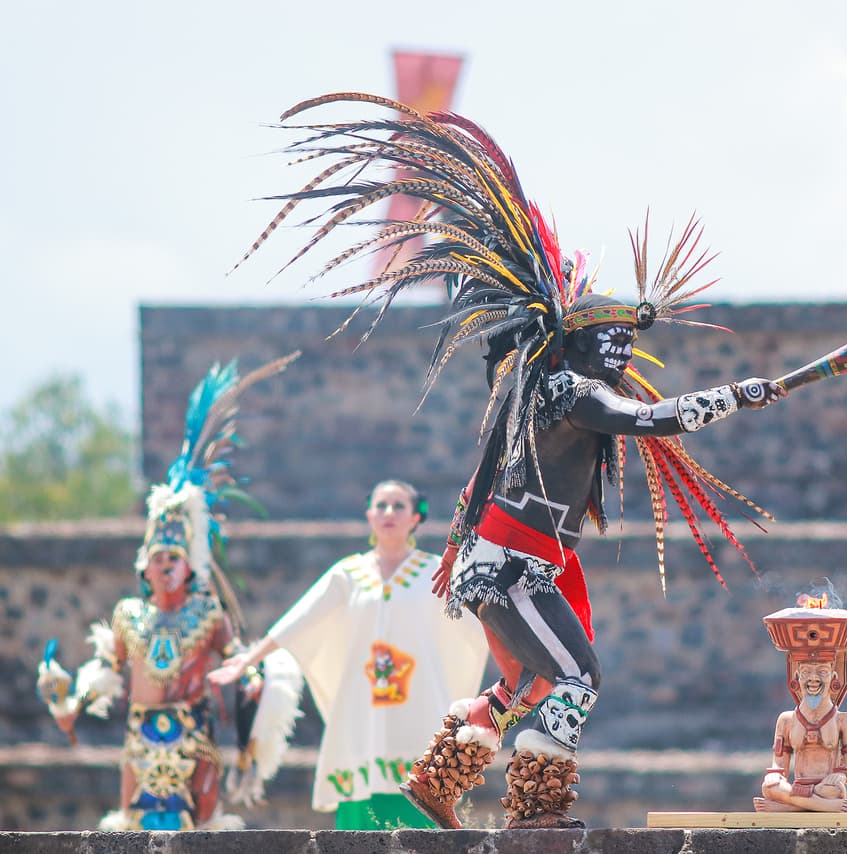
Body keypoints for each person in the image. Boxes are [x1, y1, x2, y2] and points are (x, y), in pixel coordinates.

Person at [235, 96, 788, 828]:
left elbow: (494, 473)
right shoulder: (569, 392)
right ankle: (535, 808)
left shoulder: (556, 393)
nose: (621, 352)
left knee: (528, 683)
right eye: (612, 341)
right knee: (579, 677)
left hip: (508, 560)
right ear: (579, 343)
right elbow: (648, 420)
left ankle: (439, 778)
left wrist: (455, 545)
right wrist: (738, 394)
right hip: (511, 565)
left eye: (627, 343)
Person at [36, 355, 301, 831]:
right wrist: (72, 703)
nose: (165, 565)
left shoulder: (209, 613)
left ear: (189, 566)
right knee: (132, 827)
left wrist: (254, 681)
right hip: (140, 736)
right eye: (158, 558)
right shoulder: (127, 614)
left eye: (174, 558)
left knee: (201, 830)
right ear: (144, 567)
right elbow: (108, 667)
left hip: (195, 735)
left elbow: (236, 659)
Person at [209, 480, 488, 830]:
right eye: (381, 505)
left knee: (422, 808)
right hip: (361, 711)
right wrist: (248, 659)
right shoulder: (348, 575)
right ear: (369, 514)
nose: (389, 513)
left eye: (399, 506)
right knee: (359, 823)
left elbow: (478, 630)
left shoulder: (437, 572)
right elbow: (299, 621)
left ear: (416, 517)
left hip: (419, 707)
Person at [757, 658, 847, 812]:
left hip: (826, 787)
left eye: (822, 672)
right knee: (769, 787)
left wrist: (843, 776)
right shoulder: (786, 720)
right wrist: (775, 776)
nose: (813, 678)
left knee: (835, 790)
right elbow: (779, 765)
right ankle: (823, 806)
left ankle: (790, 806)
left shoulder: (844, 720)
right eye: (806, 672)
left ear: (833, 677)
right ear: (797, 676)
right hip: (801, 788)